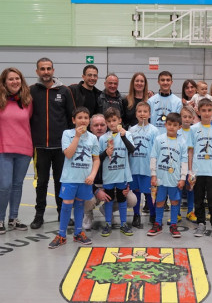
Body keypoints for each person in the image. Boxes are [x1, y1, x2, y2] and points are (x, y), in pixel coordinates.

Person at [29, 57, 75, 229]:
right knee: (41, 183)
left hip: (60, 148)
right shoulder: (32, 91)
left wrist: (70, 143)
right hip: (40, 147)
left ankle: (62, 213)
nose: (46, 72)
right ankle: (38, 215)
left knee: (60, 182)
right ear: (37, 72)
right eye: (42, 69)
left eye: (48, 68)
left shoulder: (64, 91)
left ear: (53, 70)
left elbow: (71, 118)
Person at [48, 107, 100, 248]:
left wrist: (92, 175)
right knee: (67, 204)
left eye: (85, 117)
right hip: (70, 178)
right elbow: (69, 154)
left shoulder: (93, 138)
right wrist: (77, 137)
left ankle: (78, 233)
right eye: (79, 117)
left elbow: (96, 159)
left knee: (79, 205)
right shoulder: (67, 134)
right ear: (73, 120)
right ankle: (61, 235)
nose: (83, 120)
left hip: (85, 179)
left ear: (89, 120)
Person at [0, 67, 33, 234]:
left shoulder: (27, 101)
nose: (15, 82)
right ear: (4, 82)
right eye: (11, 79)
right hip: (2, 148)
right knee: (5, 185)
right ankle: (0, 219)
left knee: (17, 185)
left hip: (24, 148)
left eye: (18, 78)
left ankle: (13, 218)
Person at [82, 114, 137, 230]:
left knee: (131, 199)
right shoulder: (87, 143)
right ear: (90, 128)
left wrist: (128, 184)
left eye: (102, 125)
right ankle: (88, 214)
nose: (99, 128)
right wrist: (96, 190)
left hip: (115, 179)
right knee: (88, 199)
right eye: (96, 125)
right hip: (94, 185)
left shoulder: (118, 137)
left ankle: (107, 210)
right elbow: (83, 172)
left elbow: (130, 158)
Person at [188, 99, 212, 239]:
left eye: (209, 110)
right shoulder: (193, 129)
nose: (207, 113)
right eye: (203, 110)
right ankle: (201, 224)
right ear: (198, 111)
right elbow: (190, 151)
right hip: (198, 171)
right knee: (198, 200)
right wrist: (190, 171)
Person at [147, 113, 188, 238]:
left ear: (179, 127)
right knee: (159, 201)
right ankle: (158, 224)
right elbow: (153, 157)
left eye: (175, 125)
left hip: (175, 178)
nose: (171, 127)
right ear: (165, 125)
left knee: (175, 201)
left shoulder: (182, 142)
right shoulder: (159, 139)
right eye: (169, 124)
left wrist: (183, 178)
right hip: (161, 177)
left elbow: (184, 161)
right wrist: (153, 175)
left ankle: (174, 225)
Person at [98, 107, 135, 237]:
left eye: (114, 120)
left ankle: (123, 223)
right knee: (108, 199)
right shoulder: (103, 138)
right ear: (106, 123)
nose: (112, 123)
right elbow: (98, 158)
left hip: (122, 174)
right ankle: (108, 223)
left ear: (119, 120)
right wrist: (105, 153)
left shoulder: (127, 134)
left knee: (122, 199)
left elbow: (132, 150)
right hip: (108, 175)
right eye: (109, 121)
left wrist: (123, 136)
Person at [129, 102, 159, 227]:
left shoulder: (154, 130)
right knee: (135, 193)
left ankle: (153, 214)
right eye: (139, 111)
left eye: (145, 111)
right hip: (135, 167)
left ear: (150, 114)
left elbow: (156, 151)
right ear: (136, 114)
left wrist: (154, 170)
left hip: (148, 168)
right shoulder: (131, 130)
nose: (142, 114)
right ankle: (136, 215)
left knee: (149, 193)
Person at [179, 106, 197, 222]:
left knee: (191, 188)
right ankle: (176, 213)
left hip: (192, 166)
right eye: (184, 116)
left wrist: (192, 169)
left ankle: (190, 211)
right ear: (180, 118)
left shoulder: (195, 131)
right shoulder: (176, 131)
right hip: (179, 166)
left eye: (189, 117)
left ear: (193, 118)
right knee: (178, 189)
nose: (186, 119)